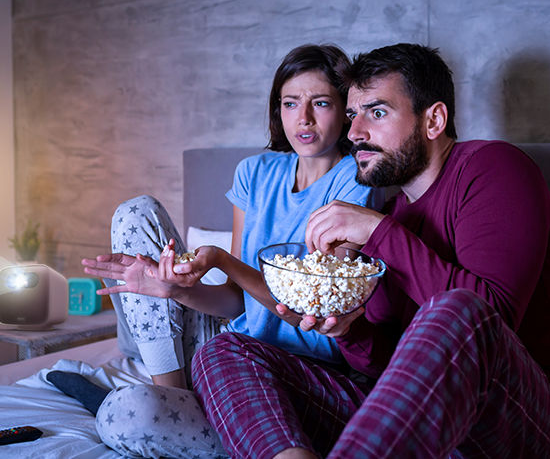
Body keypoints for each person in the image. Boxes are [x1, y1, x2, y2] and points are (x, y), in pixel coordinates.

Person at [191, 43, 550, 458]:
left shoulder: (492, 167)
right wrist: (349, 330)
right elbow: (388, 365)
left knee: (456, 310)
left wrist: (379, 231)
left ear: (433, 119)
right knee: (223, 351)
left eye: (376, 113)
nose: (354, 133)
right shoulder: (395, 213)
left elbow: (489, 319)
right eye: (352, 115)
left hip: (523, 421)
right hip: (421, 426)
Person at [44, 44, 382, 458]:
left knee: (124, 415)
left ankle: (192, 415)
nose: (303, 118)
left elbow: (312, 307)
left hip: (298, 362)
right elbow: (235, 303)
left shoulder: (357, 181)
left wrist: (223, 261)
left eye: (321, 103)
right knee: (136, 213)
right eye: (290, 103)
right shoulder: (254, 173)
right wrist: (176, 291)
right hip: (228, 347)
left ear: (345, 109)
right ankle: (173, 394)